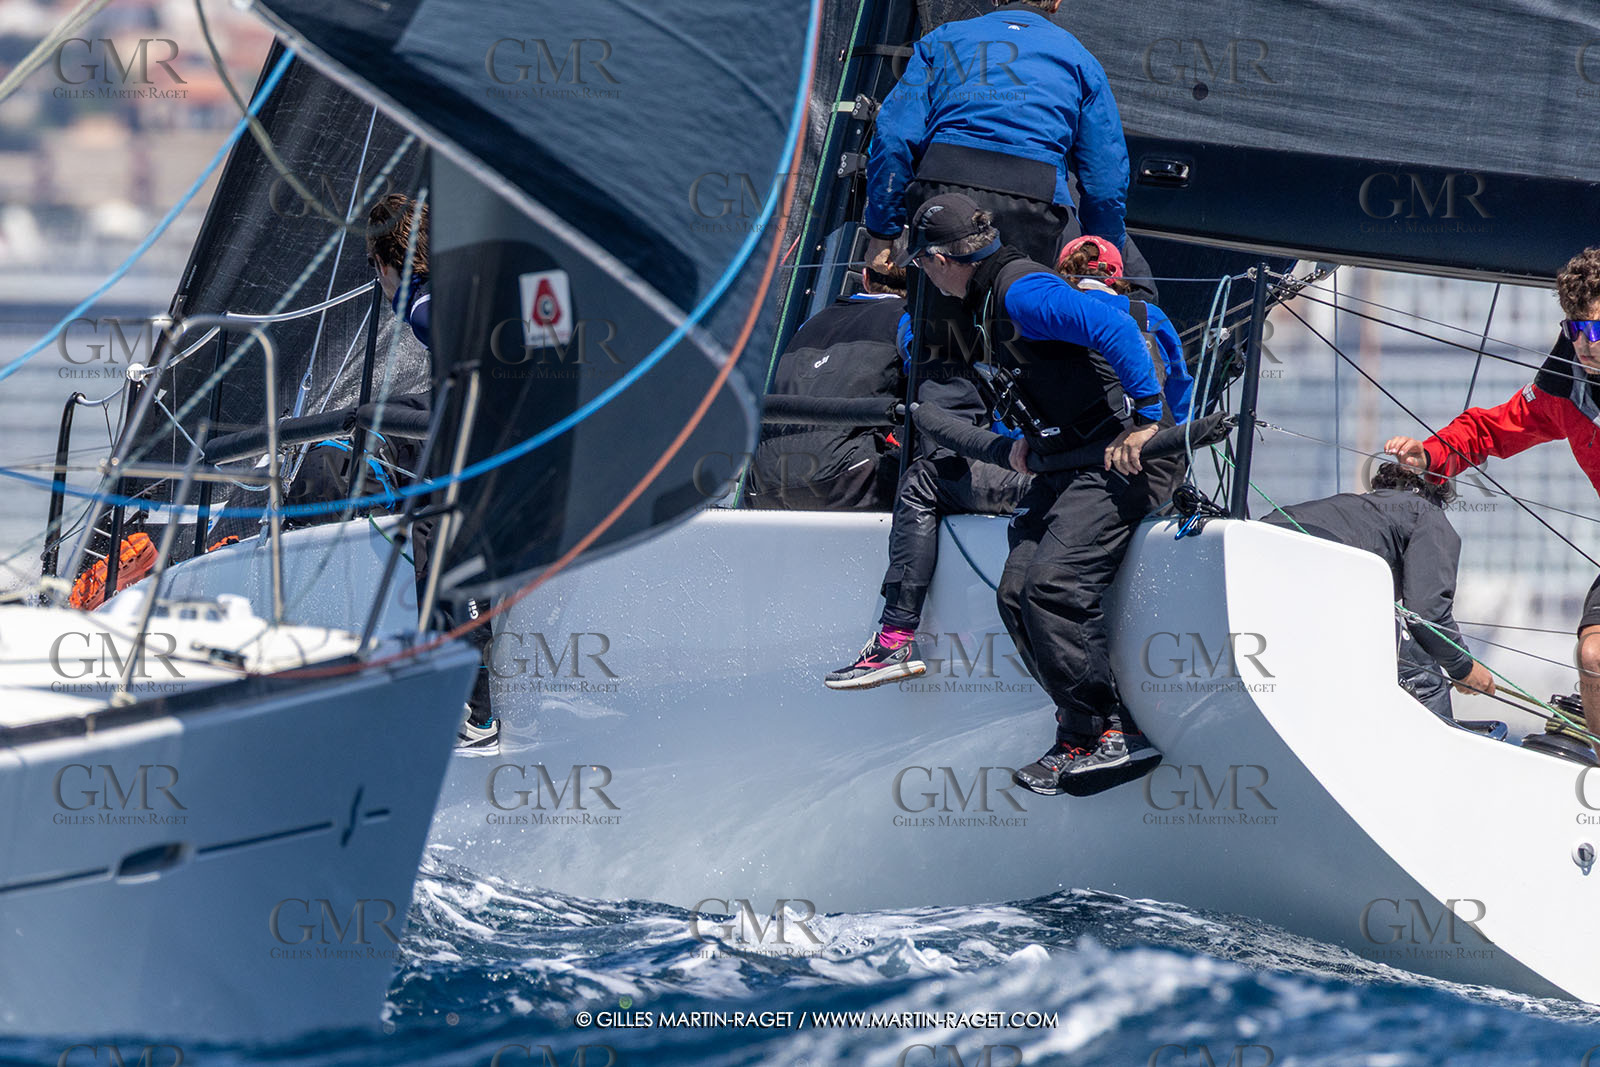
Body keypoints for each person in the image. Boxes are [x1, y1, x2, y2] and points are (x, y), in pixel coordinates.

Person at [895, 193, 1175, 796]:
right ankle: (1080, 733)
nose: (923, 274)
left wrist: (1147, 420)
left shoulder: (1022, 290)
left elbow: (1114, 326)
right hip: (1068, 462)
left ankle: (1116, 733)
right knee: (1016, 593)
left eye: (920, 263)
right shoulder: (989, 296)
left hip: (1124, 461)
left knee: (1052, 586)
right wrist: (1031, 438)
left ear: (940, 259)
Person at [1384, 246, 1600, 752]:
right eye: (1574, 329)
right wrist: (1430, 454)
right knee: (1593, 656)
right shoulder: (1564, 388)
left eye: (1595, 330)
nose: (1583, 345)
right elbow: (1492, 429)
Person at [365, 193, 499, 754]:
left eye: (374, 266)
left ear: (386, 262)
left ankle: (474, 710)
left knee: (437, 527)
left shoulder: (425, 306)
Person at [1262, 463, 1495, 718]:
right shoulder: (1425, 512)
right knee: (1425, 680)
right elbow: (1427, 614)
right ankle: (1435, 745)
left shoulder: (1355, 508)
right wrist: (1463, 667)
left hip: (1255, 561)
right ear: (1433, 496)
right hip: (1323, 579)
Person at [747, 261, 908, 511]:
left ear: (865, 277)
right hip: (846, 480)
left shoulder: (809, 324)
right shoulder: (908, 319)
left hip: (763, 481)